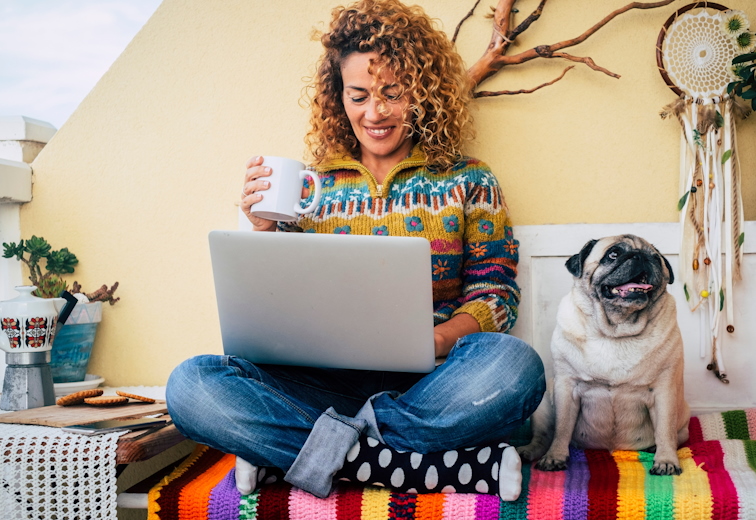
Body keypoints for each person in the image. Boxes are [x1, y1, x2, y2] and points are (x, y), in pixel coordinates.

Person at [166, 0, 545, 501]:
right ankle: (425, 464)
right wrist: (261, 230)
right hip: (323, 385)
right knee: (191, 385)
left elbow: (496, 294)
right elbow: (276, 302)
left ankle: (295, 451)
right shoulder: (310, 186)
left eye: (393, 93)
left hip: (433, 384)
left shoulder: (468, 178)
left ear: (422, 91)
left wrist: (436, 339)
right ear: (338, 97)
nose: (375, 112)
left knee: (516, 367)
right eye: (359, 95)